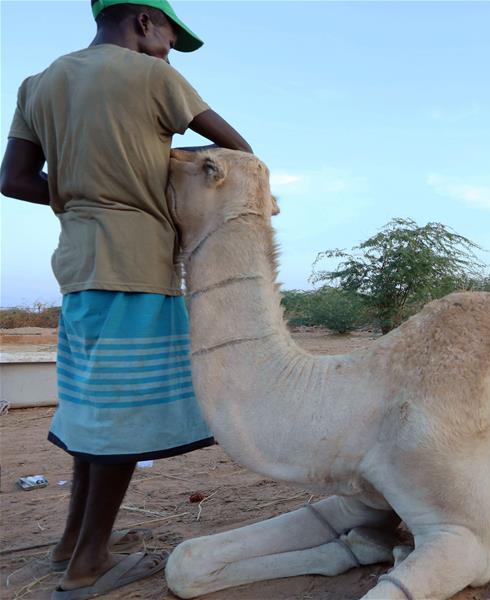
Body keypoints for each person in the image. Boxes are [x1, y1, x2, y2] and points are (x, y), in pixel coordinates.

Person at [0, 1, 252, 597]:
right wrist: (159, 183)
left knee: (95, 413)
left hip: (79, 264)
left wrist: (81, 197)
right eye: (167, 33)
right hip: (136, 265)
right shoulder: (153, 76)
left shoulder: (39, 83)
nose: (167, 47)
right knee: (120, 423)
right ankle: (90, 564)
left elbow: (11, 178)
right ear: (143, 20)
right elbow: (237, 151)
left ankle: (71, 544)